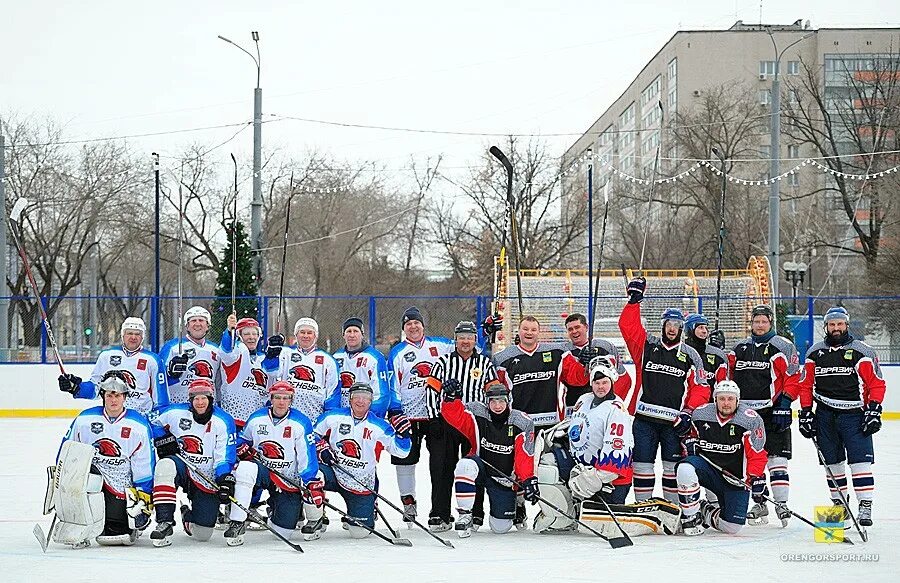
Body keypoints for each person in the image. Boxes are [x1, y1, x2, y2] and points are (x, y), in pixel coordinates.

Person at [533, 357, 680, 537]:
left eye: (604, 382)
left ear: (612, 381)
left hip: (610, 481)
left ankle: (641, 512)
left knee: (594, 523)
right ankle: (565, 517)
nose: (600, 387)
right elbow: (576, 426)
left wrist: (593, 479)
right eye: (596, 382)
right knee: (547, 464)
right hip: (580, 468)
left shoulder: (616, 410)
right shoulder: (583, 400)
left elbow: (617, 456)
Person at [618, 277, 708, 503]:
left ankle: (673, 509)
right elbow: (628, 328)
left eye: (676, 325)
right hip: (644, 419)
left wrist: (688, 412)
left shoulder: (691, 355)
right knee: (642, 466)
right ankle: (643, 506)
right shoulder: (647, 345)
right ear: (662, 325)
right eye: (668, 324)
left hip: (673, 423)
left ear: (682, 328)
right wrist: (633, 302)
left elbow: (701, 388)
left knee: (672, 469)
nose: (672, 328)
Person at [795, 307, 885, 527]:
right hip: (825, 414)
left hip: (854, 414)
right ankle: (839, 505)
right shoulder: (815, 352)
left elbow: (876, 383)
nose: (836, 328)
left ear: (847, 324)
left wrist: (873, 409)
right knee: (832, 463)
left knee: (860, 461)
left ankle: (865, 505)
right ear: (826, 326)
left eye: (840, 324)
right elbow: (805, 386)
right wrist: (806, 412)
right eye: (832, 324)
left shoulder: (861, 350)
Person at [54, 371, 155, 547]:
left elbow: (144, 466)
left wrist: (142, 497)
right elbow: (67, 451)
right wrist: (62, 478)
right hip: (91, 476)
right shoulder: (85, 419)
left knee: (114, 532)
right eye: (109, 395)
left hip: (120, 482)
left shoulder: (138, 425)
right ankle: (79, 520)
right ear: (103, 395)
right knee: (84, 479)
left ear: (125, 397)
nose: (113, 400)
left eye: (117, 395)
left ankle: (123, 521)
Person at [225, 381, 325, 545]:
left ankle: (302, 515)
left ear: (291, 400)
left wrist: (310, 482)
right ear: (271, 398)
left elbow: (306, 456)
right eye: (277, 397)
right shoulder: (257, 417)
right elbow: (243, 438)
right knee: (245, 468)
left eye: (286, 398)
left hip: (286, 477)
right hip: (262, 469)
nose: (281, 402)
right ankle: (237, 521)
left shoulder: (300, 422)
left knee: (283, 532)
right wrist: (241, 446)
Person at [728, 303, 800, 526]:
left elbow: (793, 376)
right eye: (756, 321)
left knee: (776, 459)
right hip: (744, 414)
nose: (759, 325)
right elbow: (726, 375)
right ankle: (760, 503)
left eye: (764, 322)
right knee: (751, 461)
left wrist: (785, 402)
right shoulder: (739, 348)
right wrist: (718, 349)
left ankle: (782, 503)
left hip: (772, 411)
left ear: (770, 323)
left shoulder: (782, 346)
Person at [423, 320, 497, 532]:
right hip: (446, 423)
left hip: (473, 423)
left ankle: (474, 514)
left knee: (474, 467)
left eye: (469, 337)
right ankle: (440, 514)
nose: (465, 341)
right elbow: (431, 390)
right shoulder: (443, 362)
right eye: (461, 337)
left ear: (475, 340)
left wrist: (489, 421)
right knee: (441, 468)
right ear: (455, 339)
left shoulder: (484, 364)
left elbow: (492, 392)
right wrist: (434, 418)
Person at [441, 379, 538, 538]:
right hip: (481, 468)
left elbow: (525, 453)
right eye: (493, 401)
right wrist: (451, 398)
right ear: (487, 402)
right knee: (464, 465)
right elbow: (455, 416)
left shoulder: (522, 421)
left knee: (500, 527)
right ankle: (465, 515)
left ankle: (518, 501)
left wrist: (527, 479)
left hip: (504, 478)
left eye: (501, 401)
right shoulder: (477, 412)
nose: (497, 406)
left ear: (508, 401)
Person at [314, 382, 412, 537]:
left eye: (365, 397)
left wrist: (404, 435)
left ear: (370, 401)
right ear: (350, 399)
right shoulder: (333, 417)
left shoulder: (379, 426)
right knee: (311, 475)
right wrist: (321, 447)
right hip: (333, 472)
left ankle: (364, 509)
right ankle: (315, 519)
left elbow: (401, 452)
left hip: (360, 481)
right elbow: (312, 435)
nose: (360, 401)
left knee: (359, 533)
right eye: (356, 397)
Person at [148, 378, 237, 546]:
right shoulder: (175, 413)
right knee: (165, 465)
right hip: (182, 465)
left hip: (206, 475)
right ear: (190, 400)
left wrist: (224, 479)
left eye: (204, 398)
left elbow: (224, 456)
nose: (200, 402)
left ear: (211, 398)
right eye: (195, 398)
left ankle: (186, 515)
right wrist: (162, 438)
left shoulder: (223, 421)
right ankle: (164, 522)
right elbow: (151, 420)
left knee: (202, 534)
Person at [386, 306, 454, 524]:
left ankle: (441, 509)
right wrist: (395, 411)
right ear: (404, 329)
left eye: (416, 323)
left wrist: (486, 332)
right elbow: (392, 384)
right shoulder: (398, 352)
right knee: (405, 461)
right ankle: (409, 504)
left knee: (441, 464)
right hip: (409, 416)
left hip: (436, 415)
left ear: (423, 325)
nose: (413, 327)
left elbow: (471, 347)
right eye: (408, 324)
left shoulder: (440, 345)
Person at [675, 380, 768, 536]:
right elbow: (689, 439)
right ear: (715, 399)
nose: (726, 403)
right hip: (708, 471)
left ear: (737, 400)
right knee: (685, 468)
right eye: (722, 398)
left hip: (734, 478)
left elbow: (757, 455)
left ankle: (705, 511)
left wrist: (755, 477)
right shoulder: (700, 414)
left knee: (732, 527)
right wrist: (688, 444)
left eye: (730, 399)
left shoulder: (750, 420)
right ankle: (691, 515)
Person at [58, 317, 169, 416]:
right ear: (122, 335)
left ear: (143, 337)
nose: (133, 337)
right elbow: (96, 389)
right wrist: (76, 387)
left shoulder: (153, 360)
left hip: (140, 417)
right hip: (111, 416)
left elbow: (161, 400)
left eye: (137, 334)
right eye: (129, 333)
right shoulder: (106, 356)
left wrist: (156, 423)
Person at [273, 317, 340, 424]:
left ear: (315, 336)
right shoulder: (284, 353)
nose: (305, 336)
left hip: (314, 417)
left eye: (309, 333)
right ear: (296, 335)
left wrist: (327, 421)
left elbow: (333, 392)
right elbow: (271, 373)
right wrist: (271, 355)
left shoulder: (328, 360)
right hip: (286, 417)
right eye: (302, 332)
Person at [561, 313, 632, 407]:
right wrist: (580, 363)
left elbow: (623, 378)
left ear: (586, 327)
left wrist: (611, 403)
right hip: (575, 406)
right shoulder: (564, 352)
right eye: (570, 329)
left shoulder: (605, 347)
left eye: (577, 327)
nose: (574, 331)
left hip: (602, 406)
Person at [218, 314, 275, 430]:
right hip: (235, 419)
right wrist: (229, 331)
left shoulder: (263, 358)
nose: (251, 337)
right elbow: (226, 351)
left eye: (254, 334)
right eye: (246, 334)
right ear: (239, 336)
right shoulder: (236, 354)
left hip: (258, 421)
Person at [333, 317, 396, 417]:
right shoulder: (336, 357)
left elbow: (381, 394)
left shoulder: (375, 357)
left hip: (366, 416)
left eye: (356, 331)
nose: (352, 335)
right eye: (348, 331)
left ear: (362, 334)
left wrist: (372, 417)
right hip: (342, 415)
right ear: (343, 335)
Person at [160, 306, 221, 404]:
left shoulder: (216, 349)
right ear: (187, 326)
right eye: (193, 321)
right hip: (178, 404)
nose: (197, 324)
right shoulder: (172, 346)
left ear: (208, 325)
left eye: (201, 320)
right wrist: (170, 373)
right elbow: (159, 376)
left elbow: (219, 381)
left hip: (206, 406)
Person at [683, 313, 728, 393]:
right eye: (700, 327)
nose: (704, 331)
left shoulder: (717, 355)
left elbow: (723, 384)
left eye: (706, 328)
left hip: (709, 403)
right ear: (689, 329)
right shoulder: (680, 351)